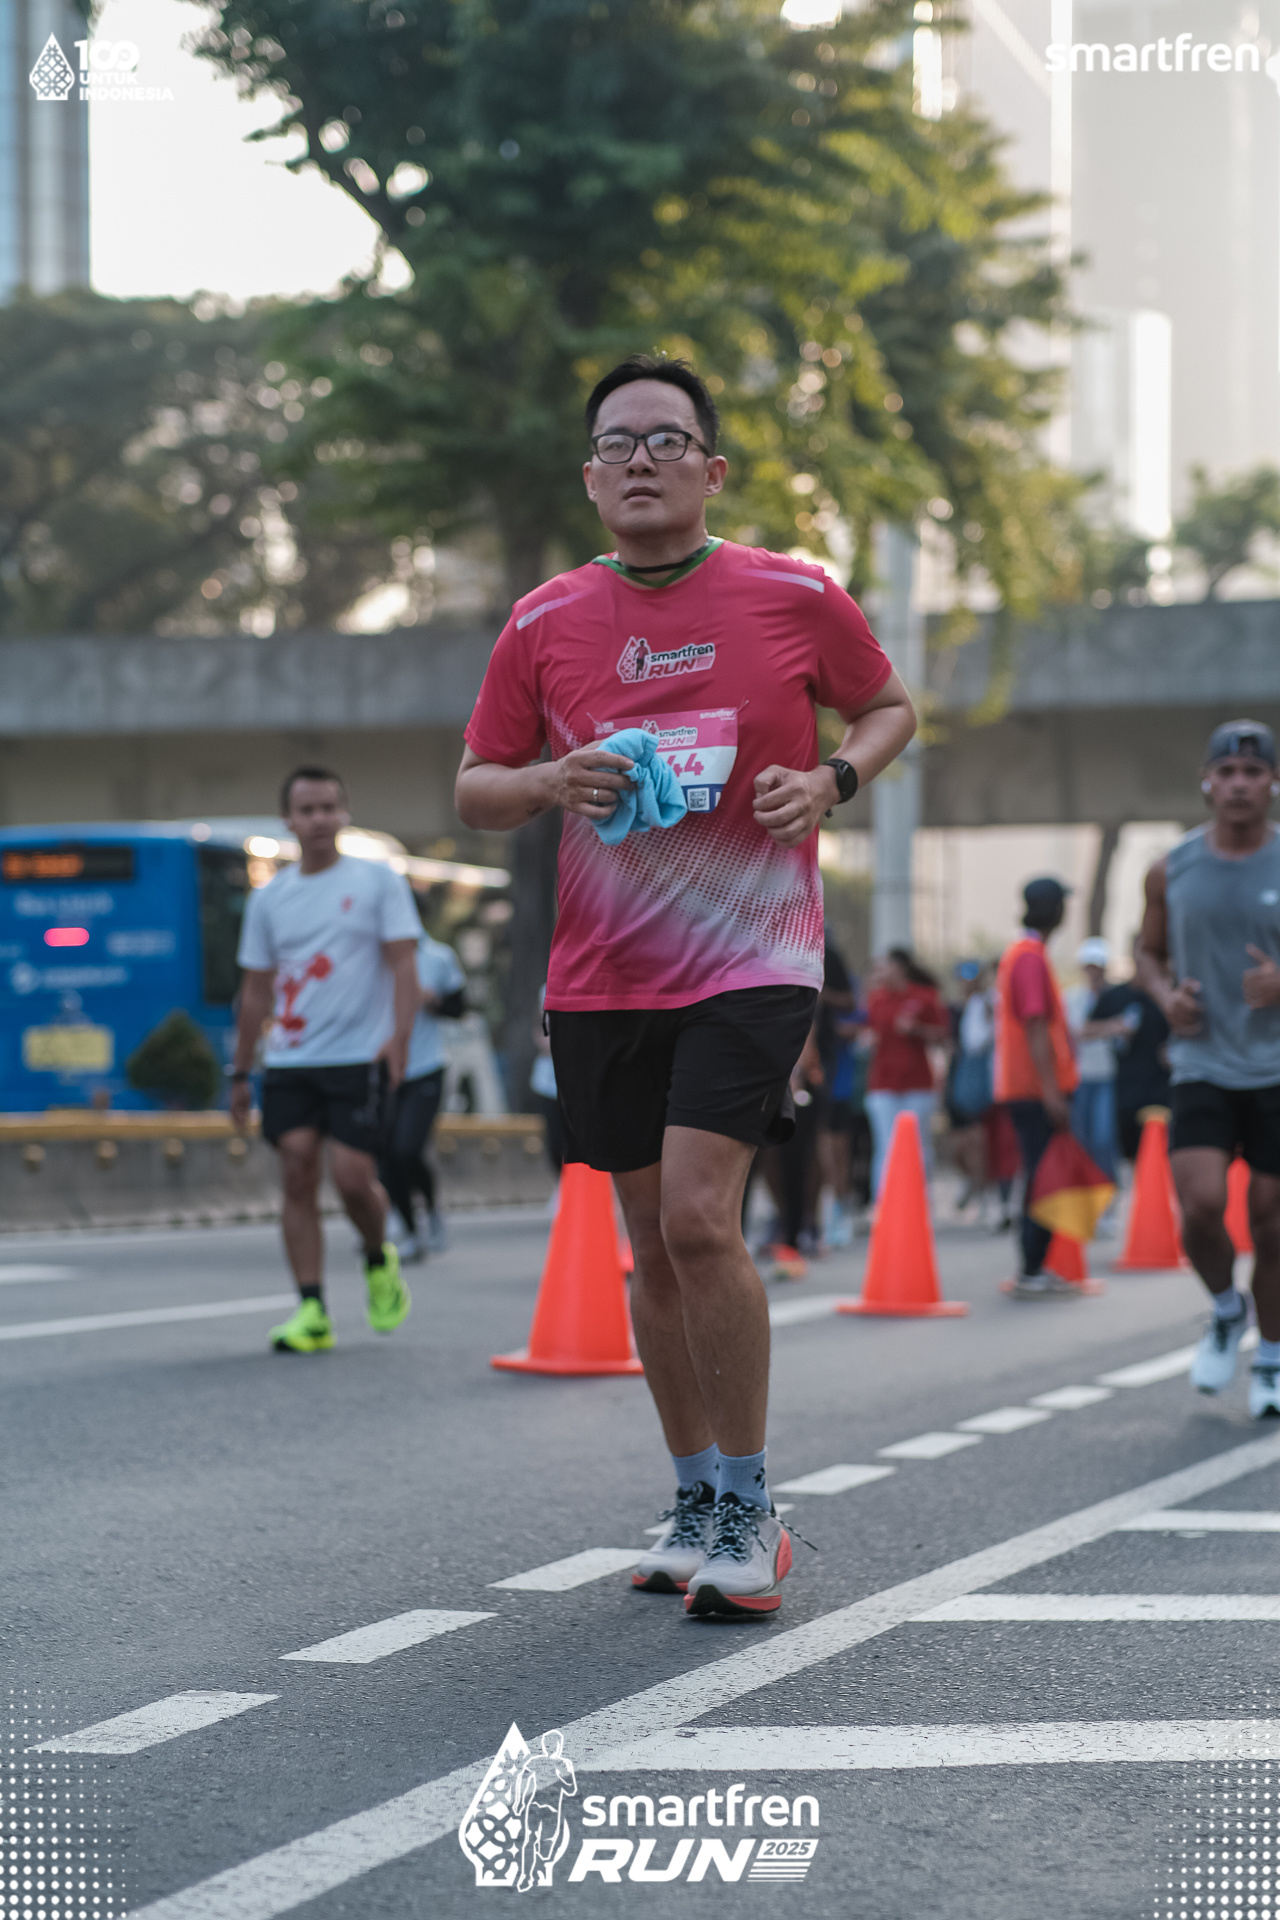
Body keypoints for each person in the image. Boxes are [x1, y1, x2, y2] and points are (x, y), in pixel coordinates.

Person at [455, 354, 915, 1617]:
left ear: (710, 471)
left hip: (751, 955)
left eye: (665, 440)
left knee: (703, 1220)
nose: (640, 460)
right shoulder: (543, 620)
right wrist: (550, 781)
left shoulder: (791, 592)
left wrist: (828, 781)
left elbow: (886, 707)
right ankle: (697, 1492)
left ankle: (753, 1507)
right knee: (651, 1239)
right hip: (603, 974)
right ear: (590, 478)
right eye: (617, 443)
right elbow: (475, 788)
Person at [231, 768, 420, 1352]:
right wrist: (240, 1070)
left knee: (353, 1179)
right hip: (290, 1059)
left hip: (357, 1055)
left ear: (344, 813)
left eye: (328, 808)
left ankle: (377, 1255)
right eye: (307, 810)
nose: (319, 819)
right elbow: (255, 991)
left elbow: (404, 965)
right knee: (296, 1170)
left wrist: (400, 1039)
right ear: (287, 820)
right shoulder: (270, 899)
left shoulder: (378, 881)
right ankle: (311, 1308)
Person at [1135, 720, 1280, 1416]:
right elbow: (1148, 951)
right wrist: (1167, 997)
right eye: (1227, 773)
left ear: (1272, 783)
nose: (1240, 784)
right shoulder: (1172, 868)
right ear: (1207, 782)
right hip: (1202, 1061)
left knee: (1272, 1223)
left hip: (1276, 1068)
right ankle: (1226, 1309)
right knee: (1199, 1205)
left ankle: (1272, 1359)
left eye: (1254, 772)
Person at [993, 877, 1080, 1297]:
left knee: (1040, 1174)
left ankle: (1035, 1265)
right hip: (1034, 1089)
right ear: (1054, 909)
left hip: (1027, 1087)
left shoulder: (1025, 952)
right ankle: (1031, 1267)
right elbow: (1035, 1024)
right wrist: (1051, 1091)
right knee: (1043, 1177)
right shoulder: (1029, 957)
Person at [378, 923, 467, 1261]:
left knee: (407, 1149)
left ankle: (430, 1210)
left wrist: (432, 1001)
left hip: (425, 1067)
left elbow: (459, 1009)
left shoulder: (438, 957)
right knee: (385, 1154)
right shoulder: (373, 956)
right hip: (383, 1068)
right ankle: (409, 1230)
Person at [861, 948, 950, 1199]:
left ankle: (919, 1202)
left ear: (899, 968)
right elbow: (866, 1030)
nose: (880, 971)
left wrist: (917, 1029)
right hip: (883, 1084)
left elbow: (943, 1035)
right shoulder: (876, 999)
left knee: (919, 1146)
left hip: (918, 1085)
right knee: (886, 1146)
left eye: (885, 965)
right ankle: (886, 1204)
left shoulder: (924, 997)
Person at [1091, 948, 1171, 1163]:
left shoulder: (1169, 996)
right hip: (1127, 1088)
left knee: (1160, 1151)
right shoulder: (1115, 996)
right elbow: (1084, 1030)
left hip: (1162, 1089)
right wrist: (1112, 1027)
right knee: (1129, 1152)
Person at [1065, 936, 1121, 1188]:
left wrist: (1094, 1030)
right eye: (1089, 966)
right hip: (1080, 1077)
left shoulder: (1117, 997)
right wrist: (1108, 1028)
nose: (1094, 972)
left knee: (1103, 1137)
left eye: (1097, 966)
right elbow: (1074, 1032)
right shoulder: (1072, 998)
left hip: (1108, 1075)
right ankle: (1090, 1190)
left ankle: (1108, 1186)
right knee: (1083, 1138)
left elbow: (1126, 1029)